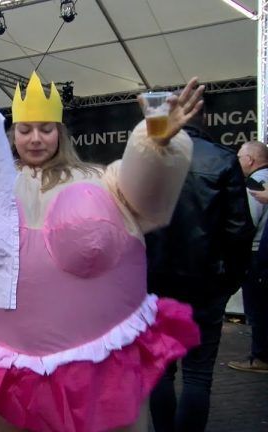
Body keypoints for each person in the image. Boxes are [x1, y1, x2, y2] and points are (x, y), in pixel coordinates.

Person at [0, 71, 203, 431]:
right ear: (12, 134)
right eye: (25, 130)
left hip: (88, 365)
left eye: (46, 129)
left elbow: (146, 196)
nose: (35, 139)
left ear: (61, 133)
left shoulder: (103, 181)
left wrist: (155, 143)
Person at [145, 100, 254, 431]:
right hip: (205, 285)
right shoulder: (221, 158)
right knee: (198, 374)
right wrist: (228, 282)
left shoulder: (146, 159)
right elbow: (239, 230)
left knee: (161, 370)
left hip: (154, 286)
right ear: (205, 121)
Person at [228, 140, 268, 373]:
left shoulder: (256, 183)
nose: (238, 161)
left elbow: (247, 222)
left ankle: (259, 357)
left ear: (250, 160)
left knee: (258, 308)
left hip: (257, 255)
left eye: (240, 157)